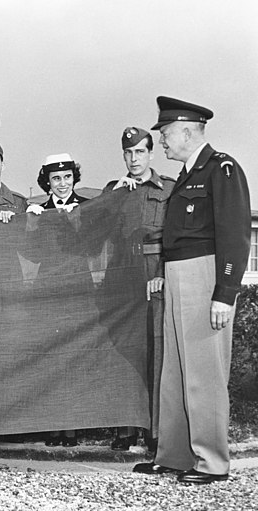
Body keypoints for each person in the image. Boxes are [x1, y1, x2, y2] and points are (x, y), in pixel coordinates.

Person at [133, 96, 251, 484]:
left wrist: (226, 290)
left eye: (165, 134)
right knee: (176, 373)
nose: (162, 141)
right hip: (179, 276)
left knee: (204, 373)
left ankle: (212, 462)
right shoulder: (186, 175)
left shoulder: (222, 169)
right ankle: (176, 455)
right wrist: (167, 271)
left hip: (206, 278)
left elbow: (234, 235)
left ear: (186, 131)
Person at [103, 128, 174, 453]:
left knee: (156, 353)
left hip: (154, 275)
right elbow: (97, 233)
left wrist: (161, 274)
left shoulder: (169, 189)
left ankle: (157, 432)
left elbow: (175, 238)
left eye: (140, 152)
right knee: (124, 353)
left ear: (150, 154)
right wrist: (114, 196)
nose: (134, 159)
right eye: (128, 154)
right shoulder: (114, 190)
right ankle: (126, 429)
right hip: (122, 277)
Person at [27, 153, 87, 447]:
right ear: (47, 182)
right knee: (51, 356)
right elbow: (32, 255)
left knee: (75, 356)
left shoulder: (88, 208)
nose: (62, 184)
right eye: (56, 179)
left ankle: (72, 428)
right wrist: (33, 226)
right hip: (49, 291)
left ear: (74, 177)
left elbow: (96, 245)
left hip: (78, 290)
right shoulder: (39, 211)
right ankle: (52, 426)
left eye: (67, 177)